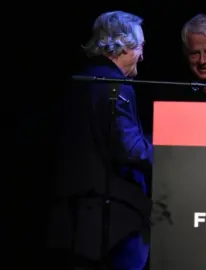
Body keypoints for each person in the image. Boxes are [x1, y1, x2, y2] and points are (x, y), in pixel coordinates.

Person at [48, 11, 152, 269]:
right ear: (124, 45)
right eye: (140, 47)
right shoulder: (116, 85)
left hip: (73, 224)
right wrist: (173, 150)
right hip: (115, 224)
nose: (142, 56)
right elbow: (131, 150)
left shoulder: (78, 81)